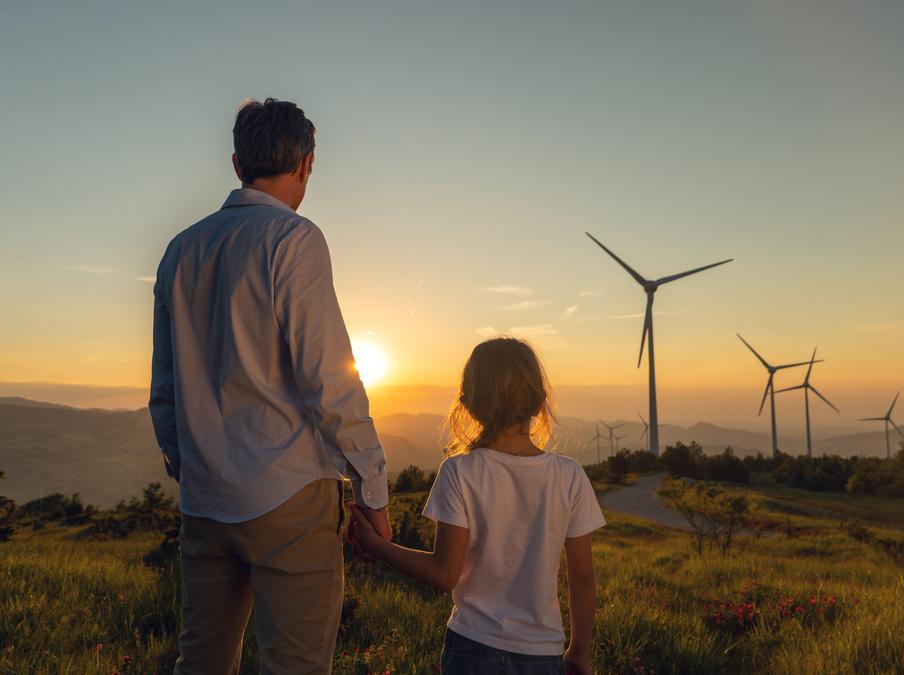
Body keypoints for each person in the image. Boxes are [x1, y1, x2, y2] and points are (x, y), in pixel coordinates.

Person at [149, 97, 392, 675]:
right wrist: (372, 490)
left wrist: (194, 469)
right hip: (288, 497)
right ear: (306, 164)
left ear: (237, 163)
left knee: (201, 663)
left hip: (205, 500)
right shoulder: (294, 240)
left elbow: (164, 391)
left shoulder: (181, 249)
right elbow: (331, 382)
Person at [348, 337, 604, 675]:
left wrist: (376, 545)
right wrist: (579, 655)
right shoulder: (570, 475)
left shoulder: (459, 471)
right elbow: (583, 577)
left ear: (468, 403)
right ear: (540, 402)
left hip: (472, 649)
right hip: (542, 655)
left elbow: (444, 574)